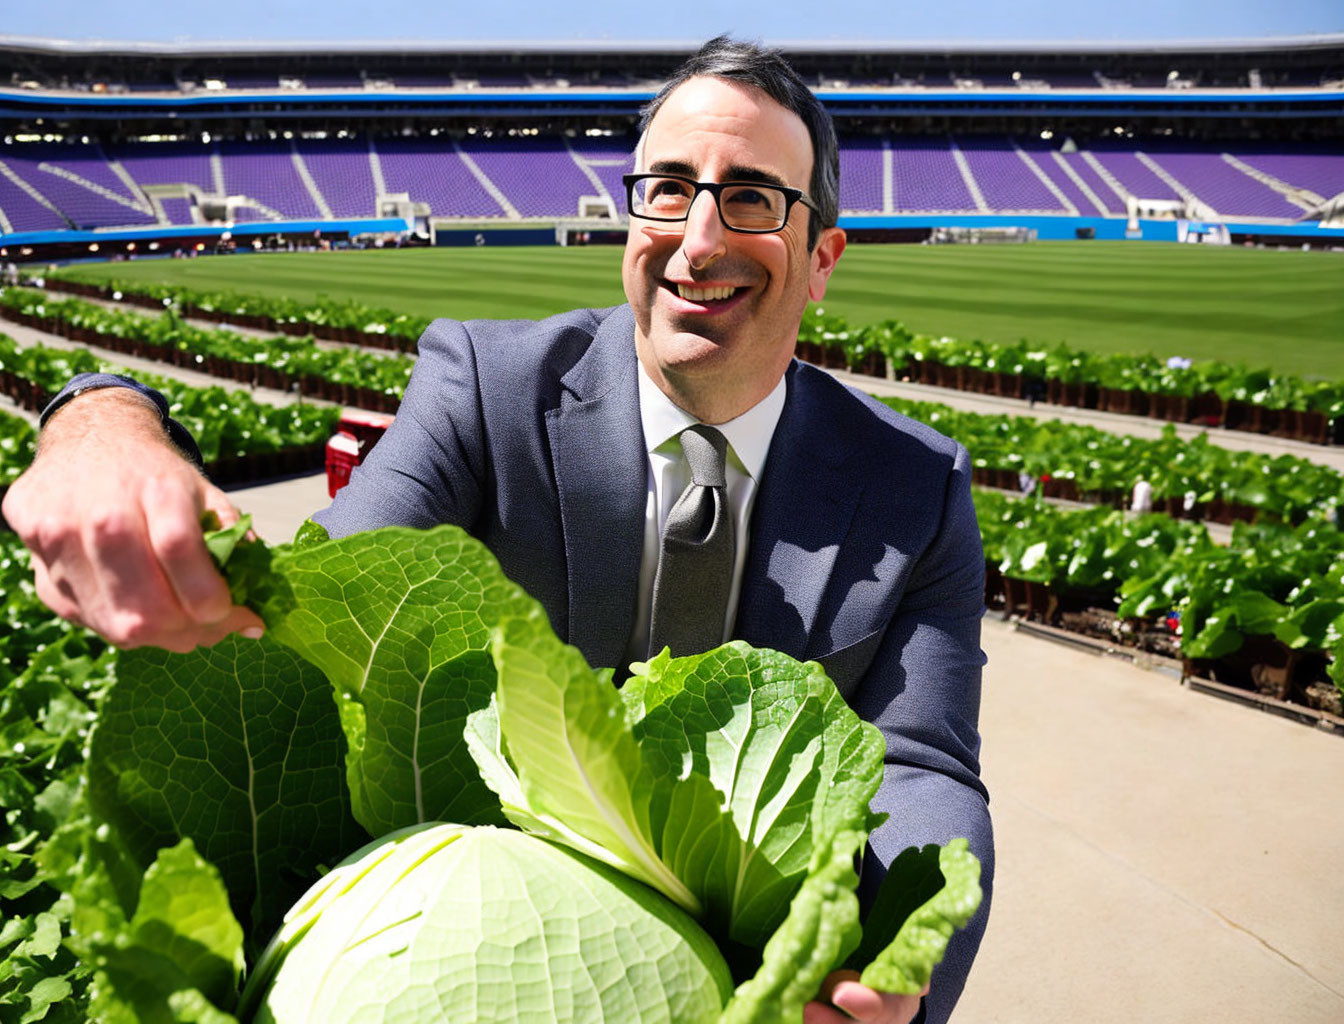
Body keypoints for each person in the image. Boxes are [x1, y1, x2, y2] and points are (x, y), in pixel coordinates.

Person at [3, 38, 992, 1024]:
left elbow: (924, 767)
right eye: (667, 188)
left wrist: (899, 961)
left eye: (751, 198)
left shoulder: (917, 485)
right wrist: (99, 414)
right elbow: (327, 589)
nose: (697, 239)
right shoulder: (486, 390)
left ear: (822, 258)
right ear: (629, 220)